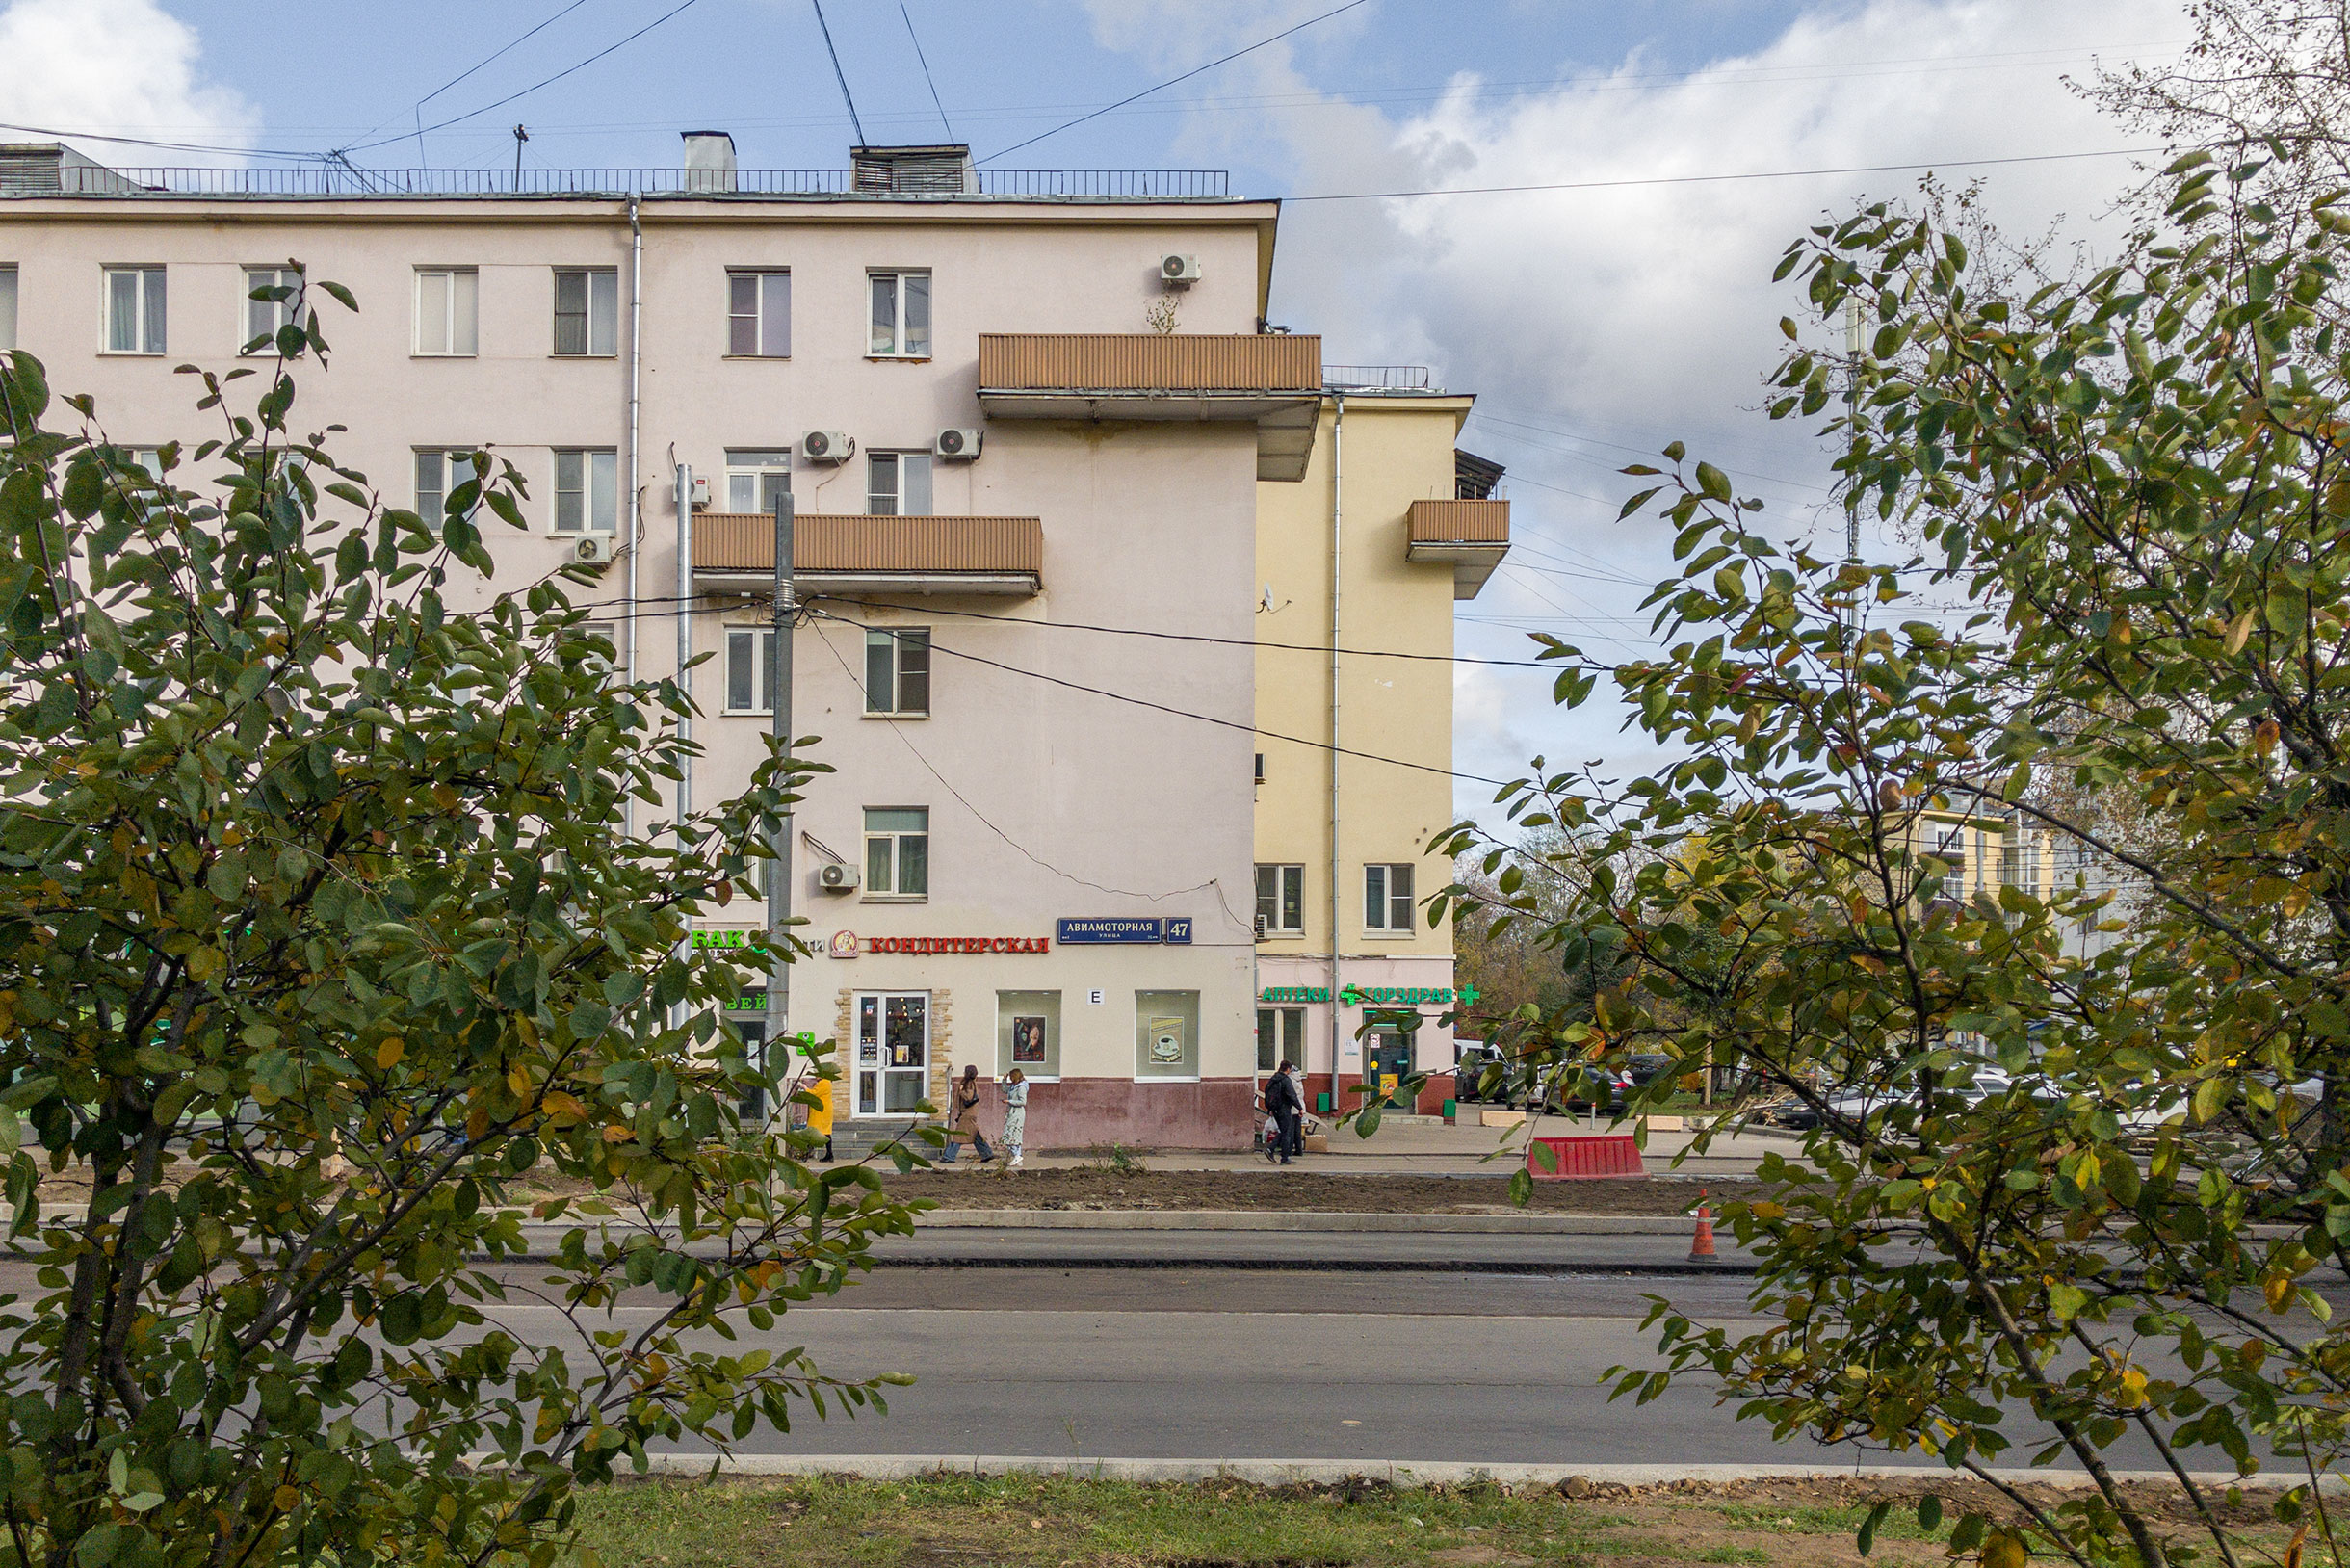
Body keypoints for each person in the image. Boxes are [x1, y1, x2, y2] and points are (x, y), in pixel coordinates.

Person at [947, 1063, 994, 1164]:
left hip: (967, 1114)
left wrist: (960, 1091)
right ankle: (987, 1154)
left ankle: (948, 1156)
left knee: (958, 1136)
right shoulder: (971, 1082)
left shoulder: (968, 1083)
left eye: (965, 1071)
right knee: (975, 1135)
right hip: (970, 1113)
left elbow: (968, 1097)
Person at [1265, 1060, 1304, 1165]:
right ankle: (1284, 1157)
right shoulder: (1286, 1080)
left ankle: (1271, 1150)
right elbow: (1292, 1096)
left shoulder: (1274, 1078)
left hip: (1275, 1109)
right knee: (1287, 1132)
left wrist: (1271, 1108)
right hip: (1284, 1109)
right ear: (1288, 1069)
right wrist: (1300, 1108)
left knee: (1283, 1130)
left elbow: (1267, 1091)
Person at [1000, 1068, 1030, 1169]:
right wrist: (1004, 1079)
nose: (1011, 1079)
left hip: (1017, 1113)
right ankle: (1018, 1157)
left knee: (1009, 1135)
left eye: (1011, 1077)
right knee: (1014, 1134)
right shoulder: (1014, 1086)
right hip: (1012, 1113)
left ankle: (1017, 1155)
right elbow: (1004, 1089)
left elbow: (1023, 1102)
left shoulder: (1021, 1088)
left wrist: (1009, 1101)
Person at [803, 1074, 835, 1163]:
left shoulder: (824, 1082)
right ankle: (829, 1154)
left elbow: (813, 1093)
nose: (816, 1077)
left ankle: (807, 1154)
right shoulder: (827, 1082)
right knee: (826, 1132)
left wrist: (804, 1087)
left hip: (820, 1112)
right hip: (823, 1111)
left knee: (812, 1132)